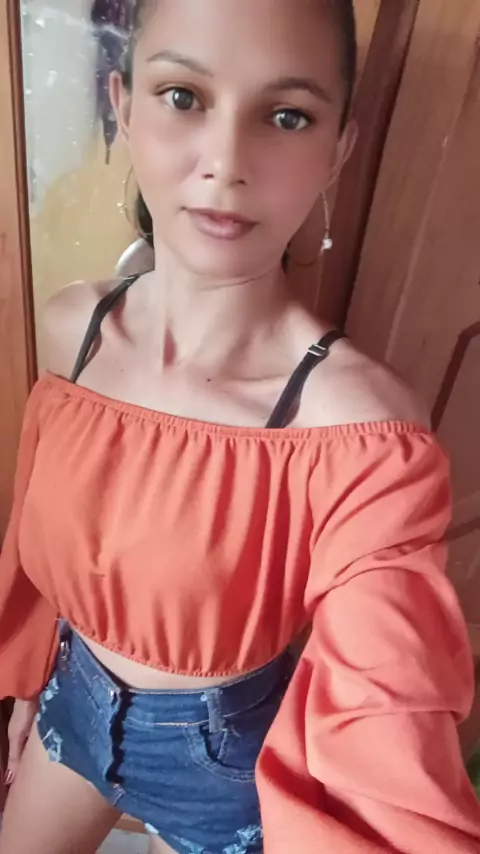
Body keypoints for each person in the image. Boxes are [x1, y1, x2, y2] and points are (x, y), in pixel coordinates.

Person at [0, 1, 479, 852]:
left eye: (286, 116)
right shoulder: (72, 329)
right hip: (72, 707)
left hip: (224, 770)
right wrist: (31, 674)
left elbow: (388, 733)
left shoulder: (362, 433)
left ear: (338, 150)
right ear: (124, 106)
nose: (225, 163)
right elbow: (37, 543)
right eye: (183, 97)